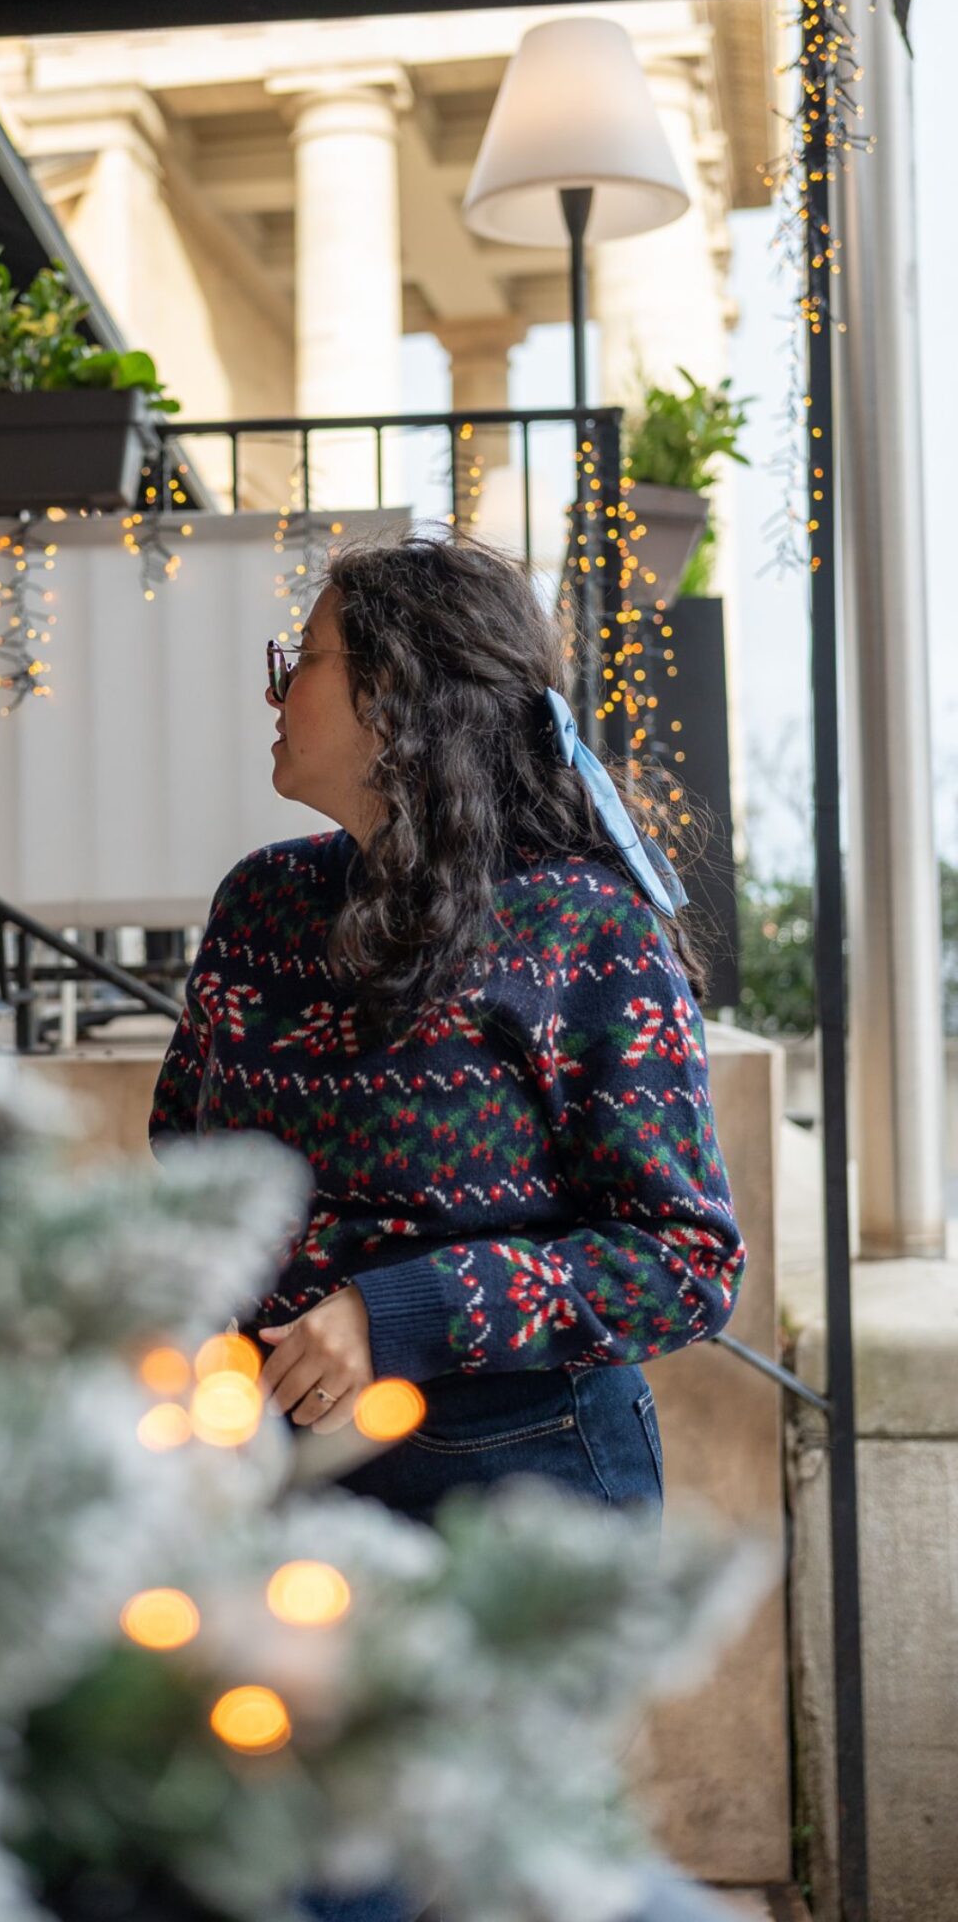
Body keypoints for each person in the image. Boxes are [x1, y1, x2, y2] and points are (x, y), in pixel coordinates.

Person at [149, 532, 744, 1532]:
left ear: (399, 693)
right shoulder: (261, 905)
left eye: (302, 660)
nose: (275, 693)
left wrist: (397, 1316)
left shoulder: (585, 931)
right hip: (274, 1482)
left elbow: (683, 1260)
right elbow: (184, 1151)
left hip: (524, 1492)